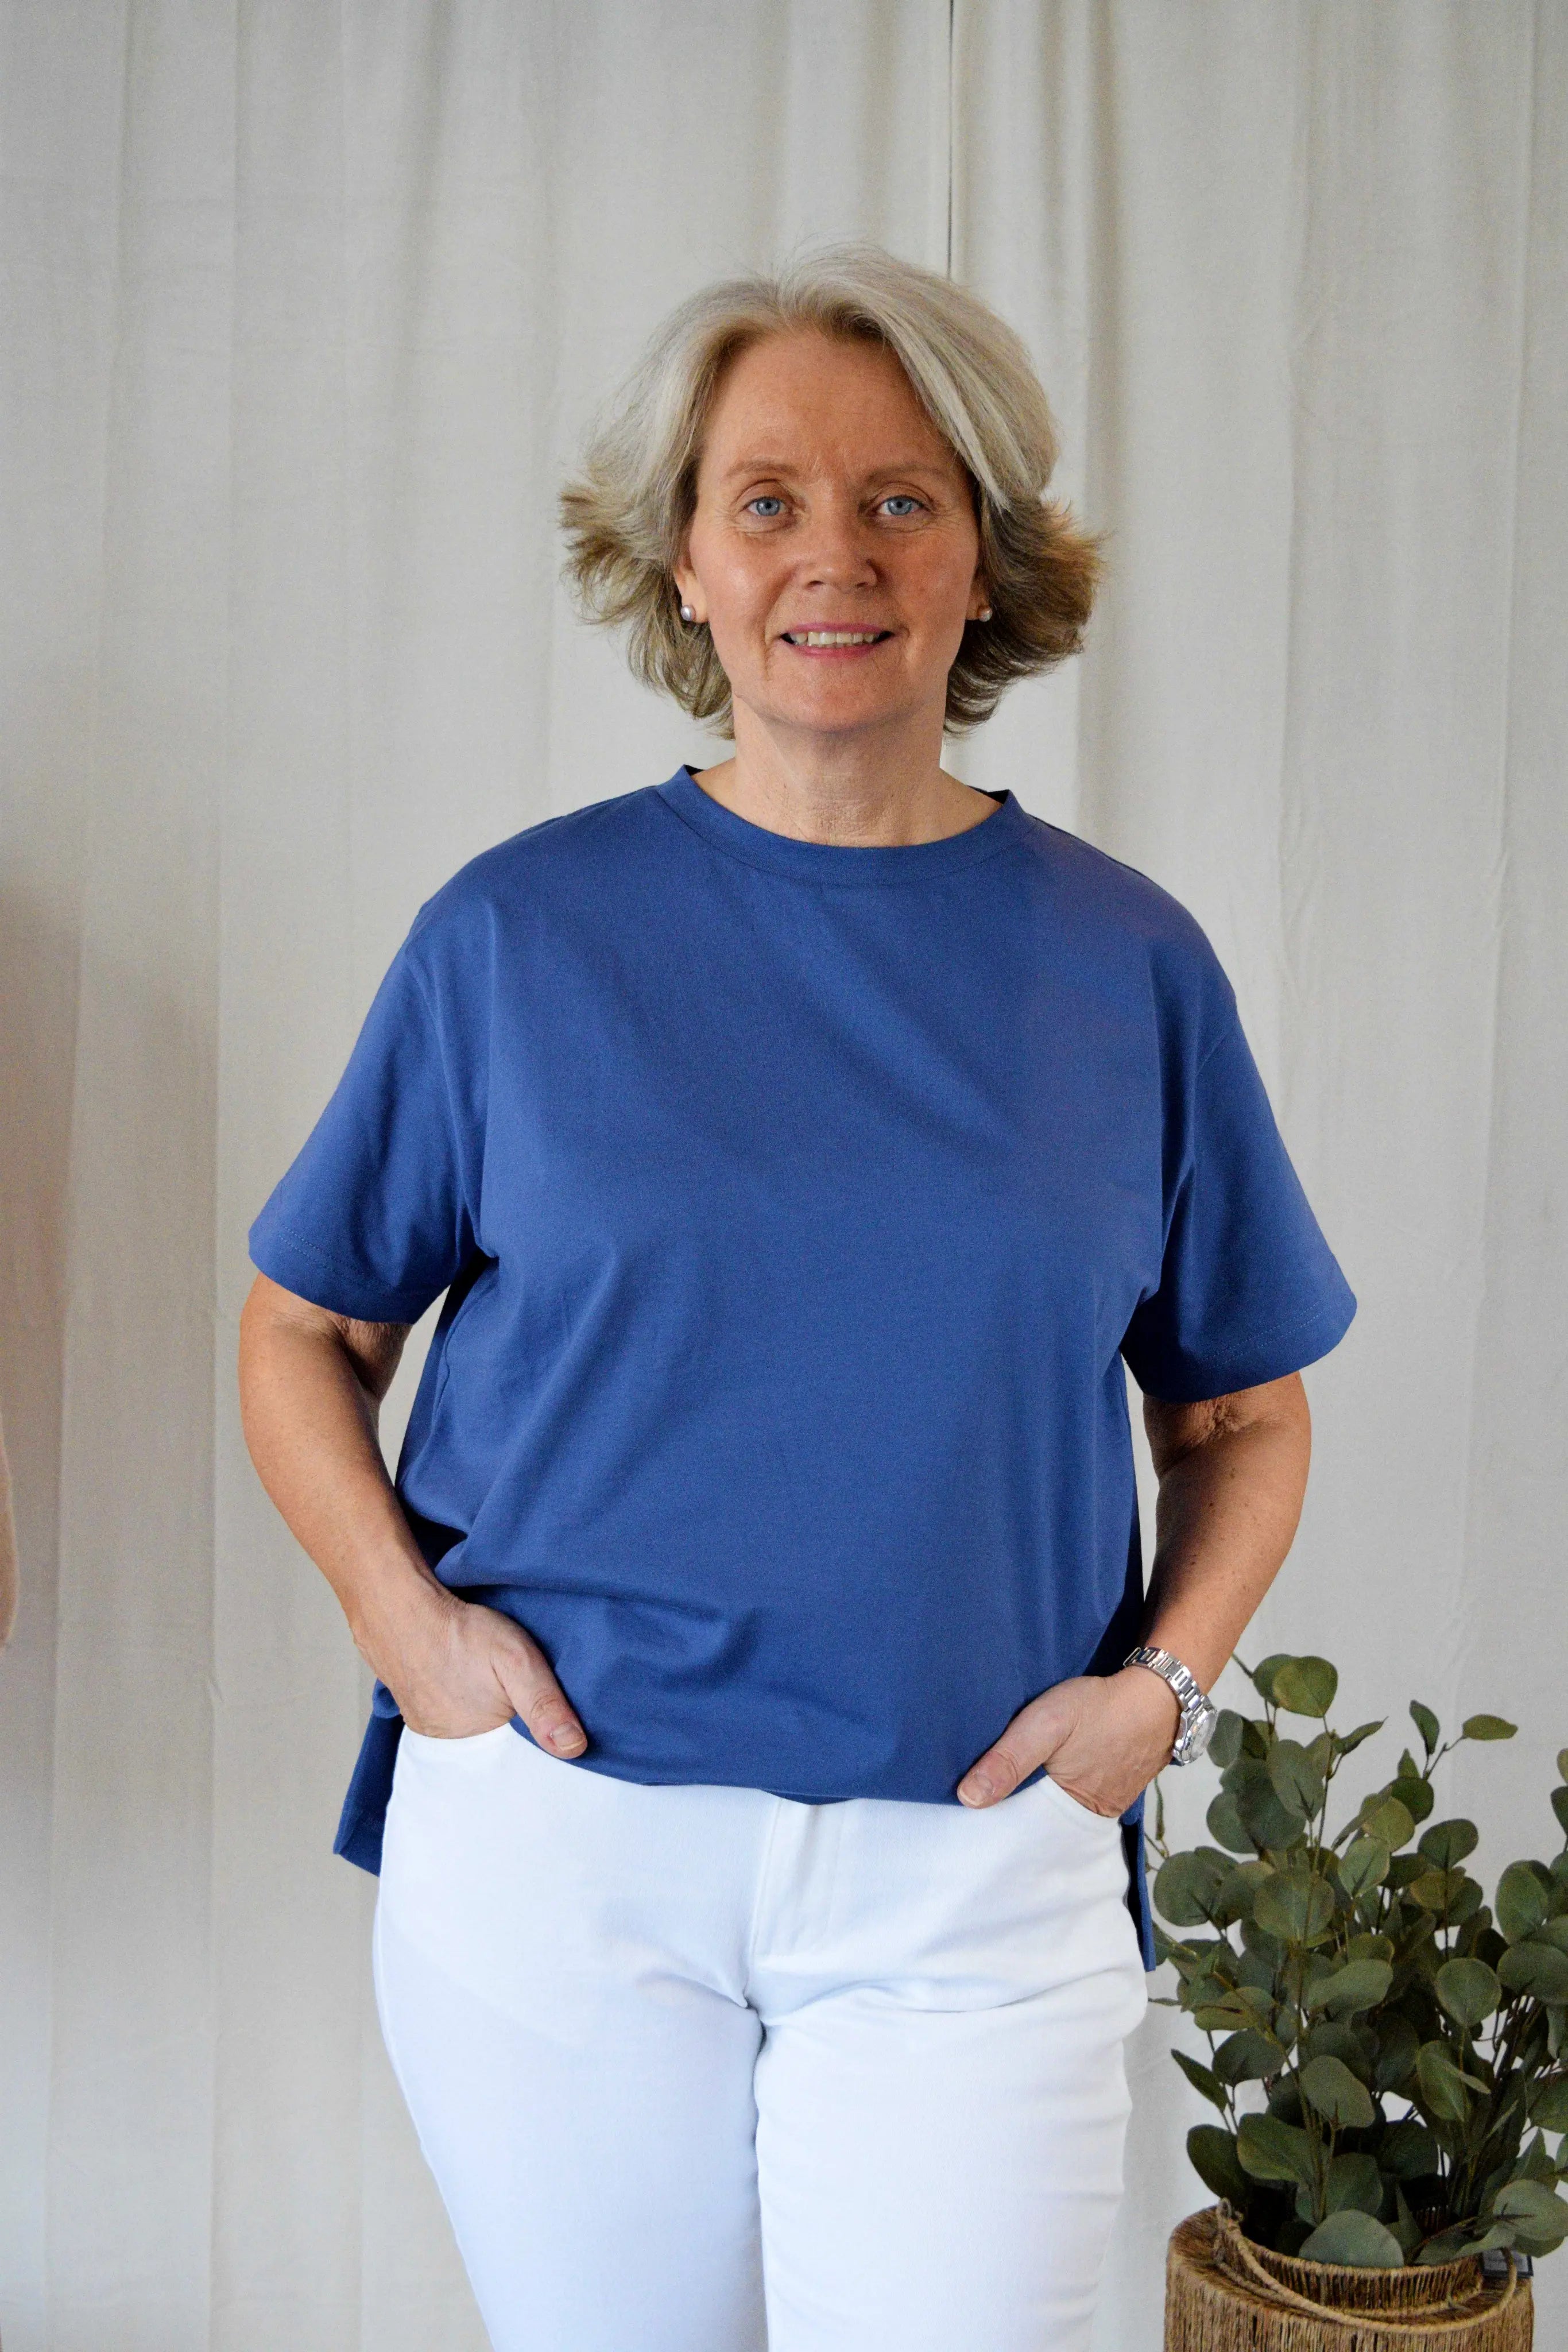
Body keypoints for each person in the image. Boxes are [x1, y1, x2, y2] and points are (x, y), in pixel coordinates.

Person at [238, 243, 1355, 2352]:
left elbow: (1239, 1412)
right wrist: (411, 1637)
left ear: (983, 557)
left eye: (899, 498)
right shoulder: (516, 936)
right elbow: (305, 1329)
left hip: (977, 1864)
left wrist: (1162, 1695)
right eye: (765, 500)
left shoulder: (1126, 965)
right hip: (563, 1855)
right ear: (682, 558)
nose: (831, 556)